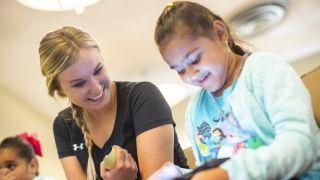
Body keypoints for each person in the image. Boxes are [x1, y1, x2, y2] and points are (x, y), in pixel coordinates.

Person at [152, 1, 320, 179]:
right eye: (180, 70)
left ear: (220, 33)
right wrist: (181, 174)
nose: (192, 75)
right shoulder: (195, 110)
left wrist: (229, 174)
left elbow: (302, 144)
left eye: (195, 59)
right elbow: (209, 170)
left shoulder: (262, 69)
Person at [38, 26, 188, 180]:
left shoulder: (143, 97)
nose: (96, 88)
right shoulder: (63, 126)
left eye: (98, 70)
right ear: (60, 90)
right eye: (79, 84)